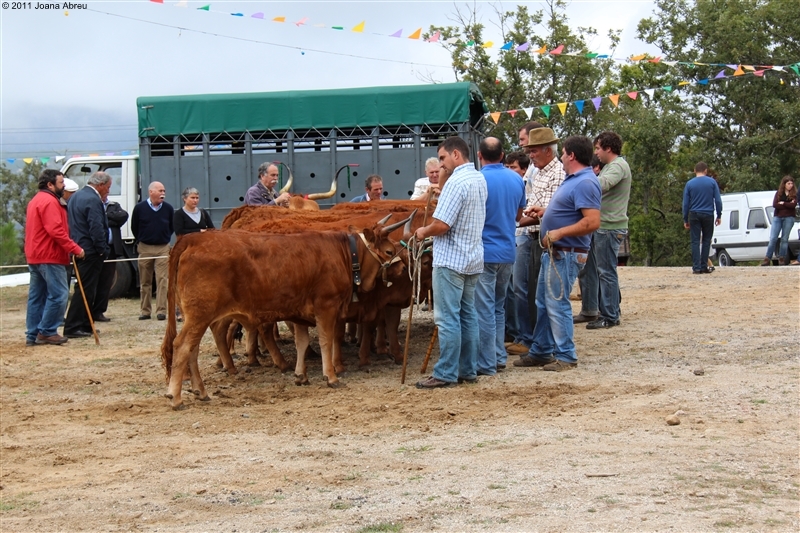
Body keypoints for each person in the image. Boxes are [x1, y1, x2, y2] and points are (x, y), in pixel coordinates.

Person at [516, 136, 601, 371]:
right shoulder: (575, 180)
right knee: (544, 302)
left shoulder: (585, 182)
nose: (561, 156)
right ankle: (542, 350)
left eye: (563, 153)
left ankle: (566, 355)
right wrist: (545, 212)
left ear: (572, 155)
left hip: (566, 252)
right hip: (557, 252)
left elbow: (592, 221)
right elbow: (572, 210)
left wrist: (559, 233)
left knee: (556, 303)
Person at [414, 136, 487, 388]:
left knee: (447, 319)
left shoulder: (457, 182)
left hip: (451, 260)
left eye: (443, 158)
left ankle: (445, 372)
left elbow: (443, 224)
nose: (441, 165)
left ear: (456, 154)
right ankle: (467, 369)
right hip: (473, 258)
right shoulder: (478, 178)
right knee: (468, 315)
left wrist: (423, 232)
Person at [509, 127, 566, 365]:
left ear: (546, 150)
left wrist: (517, 218)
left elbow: (549, 211)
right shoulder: (537, 171)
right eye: (529, 151)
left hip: (539, 238)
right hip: (527, 234)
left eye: (533, 151)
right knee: (524, 290)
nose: (530, 155)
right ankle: (531, 339)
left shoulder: (558, 173)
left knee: (539, 294)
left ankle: (542, 344)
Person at [474, 138, 526, 376]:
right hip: (507, 250)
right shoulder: (516, 178)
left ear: (479, 155)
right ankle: (498, 355)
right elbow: (518, 215)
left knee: (483, 308)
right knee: (498, 307)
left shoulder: (478, 180)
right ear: (503, 155)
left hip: (484, 251)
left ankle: (487, 361)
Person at [576, 131, 632, 329]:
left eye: (598, 148)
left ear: (608, 148)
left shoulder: (617, 166)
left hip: (609, 227)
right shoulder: (612, 166)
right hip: (604, 226)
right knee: (599, 269)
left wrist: (580, 180)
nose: (596, 153)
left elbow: (602, 184)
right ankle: (603, 308)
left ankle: (610, 315)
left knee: (606, 271)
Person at [24, 169, 84, 346]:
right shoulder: (50, 202)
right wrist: (75, 248)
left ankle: (32, 333)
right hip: (49, 255)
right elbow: (55, 230)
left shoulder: (36, 200)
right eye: (61, 183)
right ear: (50, 184)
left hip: (35, 255)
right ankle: (47, 331)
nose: (63, 186)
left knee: (37, 296)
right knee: (59, 294)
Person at [63, 172, 112, 338]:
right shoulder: (92, 199)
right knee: (84, 290)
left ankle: (85, 323)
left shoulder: (76, 197)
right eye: (108, 187)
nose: (108, 191)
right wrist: (102, 249)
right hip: (90, 251)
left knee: (87, 289)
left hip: (78, 247)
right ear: (100, 185)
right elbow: (96, 226)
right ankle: (73, 326)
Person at [131, 181, 174, 320]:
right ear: (151, 192)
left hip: (163, 247)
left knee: (162, 279)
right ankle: (145, 311)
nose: (163, 194)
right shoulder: (139, 208)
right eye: (160, 191)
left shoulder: (168, 208)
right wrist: (143, 239)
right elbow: (134, 227)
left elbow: (171, 226)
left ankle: (161, 311)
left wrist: (164, 236)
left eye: (164, 191)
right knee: (145, 280)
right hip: (145, 247)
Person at [93, 196, 129, 322]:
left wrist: (106, 216)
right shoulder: (94, 204)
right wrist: (111, 219)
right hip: (96, 249)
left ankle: (99, 311)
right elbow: (96, 222)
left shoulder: (114, 204)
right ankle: (89, 311)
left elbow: (123, 216)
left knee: (107, 281)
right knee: (94, 280)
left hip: (112, 248)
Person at [682, 162, 722, 274]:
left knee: (695, 241)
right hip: (708, 213)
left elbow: (685, 203)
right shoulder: (712, 182)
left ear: (695, 171)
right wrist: (719, 215)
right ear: (706, 170)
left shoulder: (689, 184)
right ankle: (704, 266)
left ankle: (696, 267)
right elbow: (718, 200)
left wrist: (685, 219)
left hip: (694, 214)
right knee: (706, 240)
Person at [762, 176, 797, 266]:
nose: (790, 185)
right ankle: (767, 258)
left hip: (789, 218)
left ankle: (782, 257)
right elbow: (775, 205)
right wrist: (787, 204)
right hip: (778, 217)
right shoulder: (779, 193)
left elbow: (793, 206)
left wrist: (783, 203)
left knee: (784, 239)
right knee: (773, 238)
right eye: (788, 183)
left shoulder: (794, 194)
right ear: (784, 184)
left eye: (792, 183)